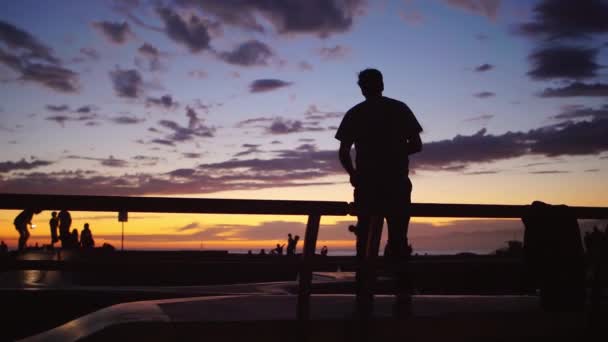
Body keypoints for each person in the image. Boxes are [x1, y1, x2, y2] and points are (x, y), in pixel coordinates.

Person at [335, 68, 423, 317]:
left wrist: (353, 173)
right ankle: (403, 295)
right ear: (382, 85)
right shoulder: (400, 108)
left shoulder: (355, 113)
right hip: (396, 183)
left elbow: (343, 152)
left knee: (365, 240)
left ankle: (363, 294)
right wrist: (394, 153)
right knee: (399, 239)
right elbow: (416, 145)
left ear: (362, 87)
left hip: (367, 186)